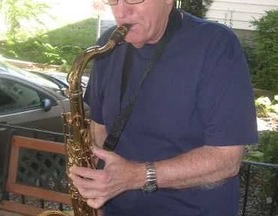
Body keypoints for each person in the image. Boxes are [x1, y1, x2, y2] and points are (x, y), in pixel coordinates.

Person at [69, 0, 258, 215]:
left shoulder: (216, 44)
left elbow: (227, 160)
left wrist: (136, 176)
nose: (121, 11)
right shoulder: (106, 46)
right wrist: (99, 193)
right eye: (113, 0)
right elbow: (99, 128)